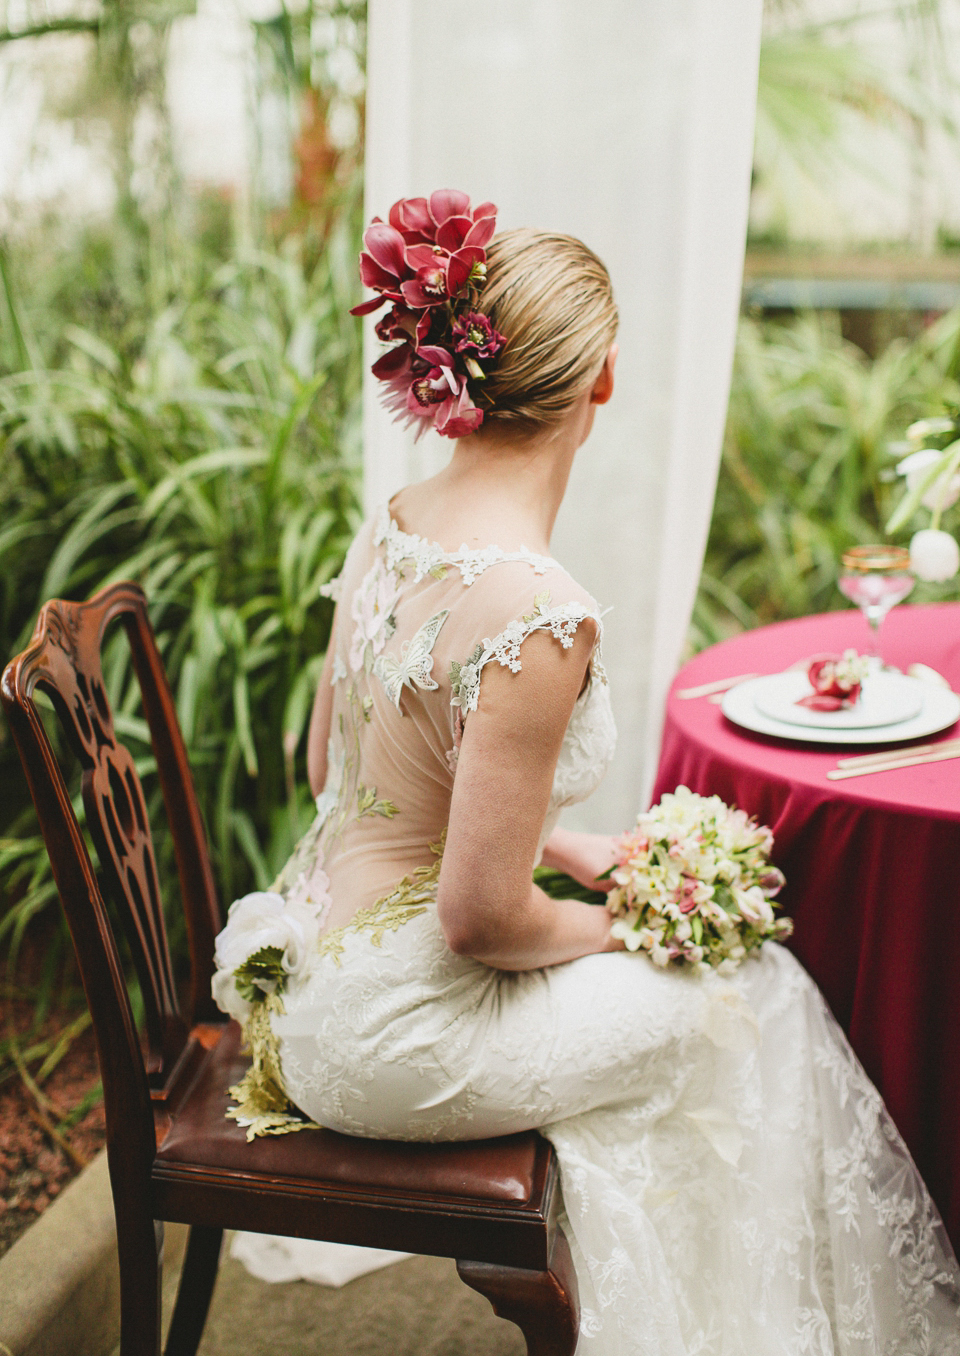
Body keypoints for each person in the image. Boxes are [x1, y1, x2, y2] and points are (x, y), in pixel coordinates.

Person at [213, 192, 960, 1353]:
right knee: (749, 998)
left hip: (307, 974)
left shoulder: (398, 518)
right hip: (394, 1039)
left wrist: (569, 852)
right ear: (600, 381)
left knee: (717, 989)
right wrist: (639, 922)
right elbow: (476, 922)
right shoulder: (539, 609)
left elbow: (340, 766)